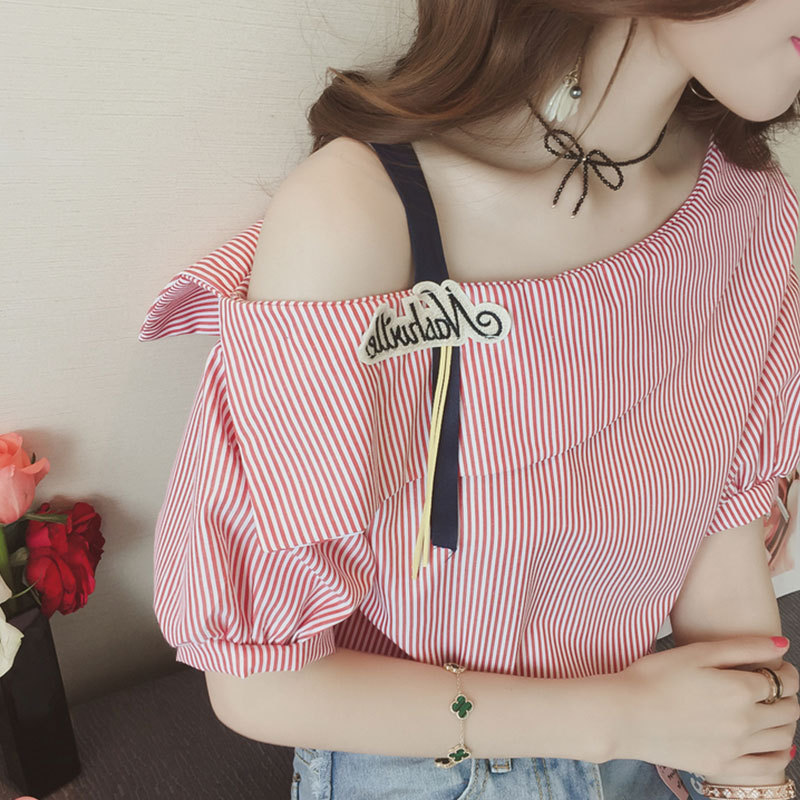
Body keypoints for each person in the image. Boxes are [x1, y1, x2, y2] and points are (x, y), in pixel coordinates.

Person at [139, 2, 800, 798]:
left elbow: (725, 534)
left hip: (655, 741)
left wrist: (751, 771)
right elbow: (261, 684)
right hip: (428, 766)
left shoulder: (749, 210)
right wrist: (621, 717)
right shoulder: (360, 217)